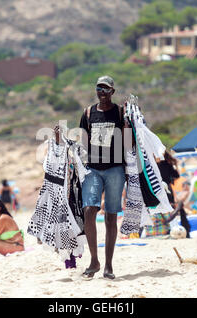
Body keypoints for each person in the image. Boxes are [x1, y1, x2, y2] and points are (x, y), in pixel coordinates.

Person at [74, 75, 127, 280]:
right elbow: (83, 142)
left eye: (106, 89)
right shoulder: (88, 113)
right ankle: (94, 260)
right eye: (99, 88)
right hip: (93, 169)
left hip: (115, 169)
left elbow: (129, 143)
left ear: (112, 92)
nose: (102, 92)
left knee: (111, 215)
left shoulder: (121, 113)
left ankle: (108, 265)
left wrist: (129, 122)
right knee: (89, 210)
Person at [157, 150, 191, 237]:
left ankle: (167, 226)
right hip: (168, 189)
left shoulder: (156, 164)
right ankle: (181, 227)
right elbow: (177, 176)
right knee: (170, 208)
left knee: (163, 209)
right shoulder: (168, 163)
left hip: (159, 188)